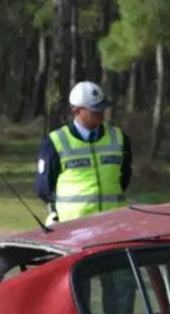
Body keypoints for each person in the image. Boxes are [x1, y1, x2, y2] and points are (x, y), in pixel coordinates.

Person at [35, 81, 132, 224]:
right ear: (76, 111)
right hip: (74, 225)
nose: (100, 114)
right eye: (94, 110)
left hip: (113, 222)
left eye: (102, 109)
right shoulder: (55, 142)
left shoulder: (119, 137)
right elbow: (44, 188)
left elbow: (124, 177)